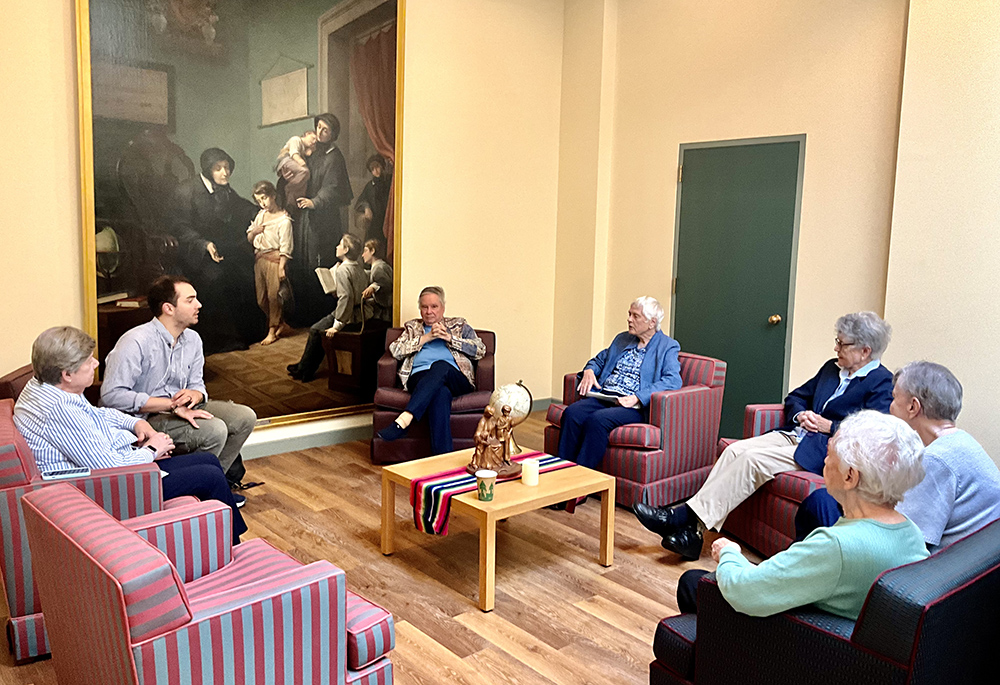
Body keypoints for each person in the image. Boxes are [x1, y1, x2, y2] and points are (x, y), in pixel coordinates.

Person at [634, 311, 894, 560]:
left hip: (822, 449)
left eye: (842, 343)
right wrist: (800, 414)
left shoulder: (881, 382)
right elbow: (796, 397)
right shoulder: (831, 369)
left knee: (752, 460)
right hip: (794, 433)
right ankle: (692, 534)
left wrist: (830, 426)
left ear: (865, 351)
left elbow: (872, 432)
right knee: (734, 450)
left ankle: (682, 519)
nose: (836, 348)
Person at [674, 411, 928, 620]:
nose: (824, 462)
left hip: (804, 643)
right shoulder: (912, 533)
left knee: (692, 583)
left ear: (850, 476)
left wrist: (729, 553)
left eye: (830, 455)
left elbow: (746, 592)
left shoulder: (836, 546)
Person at [13, 327, 247, 545]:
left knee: (208, 461)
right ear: (67, 374)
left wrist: (135, 422)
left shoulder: (43, 386)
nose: (95, 363)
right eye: (88, 362)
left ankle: (228, 544)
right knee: (208, 476)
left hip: (102, 474)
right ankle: (233, 549)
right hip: (100, 489)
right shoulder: (60, 411)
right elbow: (110, 468)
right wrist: (153, 449)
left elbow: (98, 414)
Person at [796, 361, 1000, 550]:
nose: (889, 407)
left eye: (893, 398)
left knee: (820, 504)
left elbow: (901, 539)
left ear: (913, 407)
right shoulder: (962, 442)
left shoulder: (935, 459)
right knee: (829, 501)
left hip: (933, 574)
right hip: (972, 564)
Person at [101, 276, 258, 498]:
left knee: (245, 417)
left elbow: (197, 384)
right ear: (168, 308)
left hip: (180, 410)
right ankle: (194, 490)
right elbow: (111, 396)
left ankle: (216, 485)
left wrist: (195, 394)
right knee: (215, 430)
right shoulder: (135, 341)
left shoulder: (193, 339)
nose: (199, 305)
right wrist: (172, 405)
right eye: (190, 300)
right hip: (142, 419)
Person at [558, 297, 681, 475]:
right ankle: (562, 474)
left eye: (635, 316)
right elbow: (599, 360)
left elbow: (673, 380)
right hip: (606, 395)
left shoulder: (667, 346)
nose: (629, 319)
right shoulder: (623, 339)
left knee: (598, 420)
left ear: (652, 322)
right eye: (629, 314)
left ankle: (580, 482)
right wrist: (590, 371)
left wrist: (638, 397)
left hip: (633, 405)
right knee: (572, 413)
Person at [170, 147, 262, 353]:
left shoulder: (225, 190)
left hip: (223, 250)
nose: (224, 173)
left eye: (227, 167)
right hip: (195, 253)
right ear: (207, 170)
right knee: (217, 279)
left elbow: (243, 207)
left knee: (247, 274)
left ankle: (249, 333)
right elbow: (179, 226)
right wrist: (204, 244)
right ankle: (221, 339)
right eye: (218, 168)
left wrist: (267, 212)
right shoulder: (186, 191)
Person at [376, 286, 486, 455]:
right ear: (420, 309)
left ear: (443, 307)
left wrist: (449, 338)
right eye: (424, 307)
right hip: (419, 378)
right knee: (440, 393)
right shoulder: (412, 327)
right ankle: (442, 462)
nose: (429, 312)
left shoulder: (459, 325)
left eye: (434, 306)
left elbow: (480, 350)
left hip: (456, 378)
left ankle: (406, 418)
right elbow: (395, 350)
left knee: (440, 365)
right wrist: (426, 338)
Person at [290, 114, 353, 325]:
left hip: (324, 220)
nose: (319, 132)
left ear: (333, 135)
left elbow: (333, 188)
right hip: (307, 218)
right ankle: (306, 314)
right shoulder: (312, 153)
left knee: (321, 262)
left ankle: (322, 315)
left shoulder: (334, 156)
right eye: (318, 127)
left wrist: (315, 202)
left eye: (325, 130)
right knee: (304, 260)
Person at [286, 233, 369, 382]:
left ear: (345, 250)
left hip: (349, 315)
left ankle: (305, 370)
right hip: (358, 311)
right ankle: (303, 366)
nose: (336, 247)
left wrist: (337, 325)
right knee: (317, 330)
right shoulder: (358, 267)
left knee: (315, 330)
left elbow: (347, 298)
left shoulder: (343, 270)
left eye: (340, 244)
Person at [246, 180, 293, 346]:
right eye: (259, 200)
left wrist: (282, 267)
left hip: (274, 260)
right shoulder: (261, 215)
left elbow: (286, 247)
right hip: (259, 259)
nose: (262, 203)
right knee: (261, 299)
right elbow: (250, 237)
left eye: (264, 198)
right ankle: (281, 323)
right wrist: (254, 232)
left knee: (274, 296)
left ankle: (272, 330)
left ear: (273, 196)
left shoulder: (284, 220)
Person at [275, 129, 317, 212]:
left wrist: (311, 150)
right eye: (313, 138)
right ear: (307, 134)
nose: (314, 142)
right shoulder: (296, 140)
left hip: (292, 174)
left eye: (316, 142)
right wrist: (303, 164)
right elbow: (294, 154)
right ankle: (289, 188)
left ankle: (291, 201)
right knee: (305, 172)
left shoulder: (304, 148)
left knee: (302, 185)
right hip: (286, 161)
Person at [354, 155, 392, 243]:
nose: (376, 171)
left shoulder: (390, 182)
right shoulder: (370, 186)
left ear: (382, 166)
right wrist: (367, 207)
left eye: (377, 167)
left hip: (387, 221)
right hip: (374, 224)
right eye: (372, 169)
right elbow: (361, 201)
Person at [362, 238, 393, 325]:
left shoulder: (379, 268)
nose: (363, 255)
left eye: (365, 251)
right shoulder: (378, 266)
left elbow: (386, 284)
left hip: (384, 314)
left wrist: (373, 287)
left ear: (372, 251)